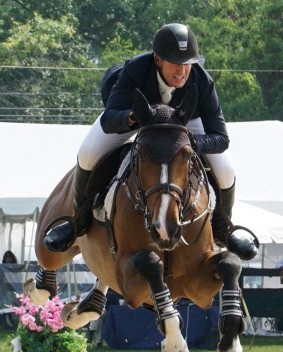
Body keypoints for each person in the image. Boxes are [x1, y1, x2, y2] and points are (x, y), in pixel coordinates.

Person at [44, 22, 257, 260]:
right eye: (175, 63)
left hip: (185, 124)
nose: (182, 71)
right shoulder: (135, 70)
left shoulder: (202, 81)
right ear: (158, 60)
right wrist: (133, 117)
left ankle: (223, 229)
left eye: (187, 64)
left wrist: (195, 144)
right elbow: (109, 119)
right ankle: (78, 222)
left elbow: (221, 138)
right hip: (139, 122)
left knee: (227, 169)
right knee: (87, 153)